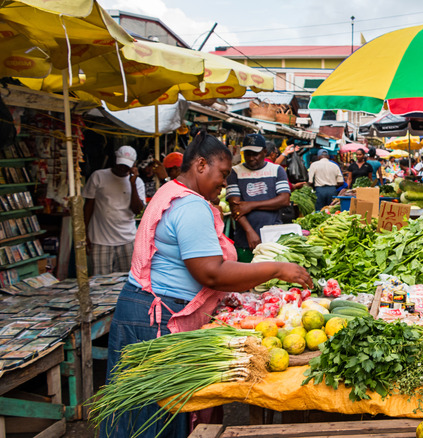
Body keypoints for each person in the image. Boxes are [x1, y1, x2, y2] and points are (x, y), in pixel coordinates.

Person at [101, 132, 312, 438]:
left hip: (143, 310)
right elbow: (211, 273)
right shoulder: (190, 207)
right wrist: (277, 269)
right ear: (200, 165)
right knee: (149, 418)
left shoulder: (172, 191)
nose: (225, 183)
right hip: (155, 320)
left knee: (140, 413)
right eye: (223, 174)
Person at [226, 134, 291, 262]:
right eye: (247, 154)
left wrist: (250, 205)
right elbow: (235, 207)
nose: (251, 158)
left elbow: (284, 200)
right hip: (245, 241)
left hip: (273, 238)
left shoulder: (277, 170)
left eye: (255, 154)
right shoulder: (235, 172)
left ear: (265, 152)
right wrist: (250, 232)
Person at [83, 145, 146, 275]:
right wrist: (85, 233)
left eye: (127, 166)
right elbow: (88, 206)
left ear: (134, 165)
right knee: (99, 280)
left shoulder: (138, 182)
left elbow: (137, 210)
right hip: (100, 239)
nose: (123, 168)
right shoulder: (98, 176)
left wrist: (132, 184)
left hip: (127, 238)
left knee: (130, 279)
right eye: (121, 164)